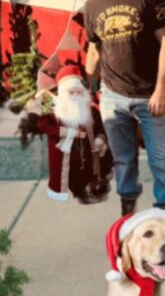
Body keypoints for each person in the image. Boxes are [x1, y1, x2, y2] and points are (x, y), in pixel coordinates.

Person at [77, 0, 165, 216]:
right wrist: (85, 84)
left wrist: (162, 89)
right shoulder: (91, 6)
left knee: (162, 160)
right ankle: (127, 213)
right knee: (123, 160)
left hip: (151, 96)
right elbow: (95, 49)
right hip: (112, 97)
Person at [39, 64, 112, 204]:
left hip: (88, 157)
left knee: (89, 175)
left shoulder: (91, 111)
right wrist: (68, 132)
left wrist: (99, 139)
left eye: (79, 92)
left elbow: (100, 129)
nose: (76, 96)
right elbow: (43, 125)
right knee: (69, 177)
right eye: (71, 93)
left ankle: (89, 191)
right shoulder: (55, 112)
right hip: (67, 157)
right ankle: (76, 191)